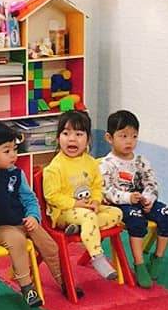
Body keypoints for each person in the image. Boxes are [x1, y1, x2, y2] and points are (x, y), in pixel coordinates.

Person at [0, 120, 63, 308]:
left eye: (14, 149)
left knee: (49, 244)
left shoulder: (16, 173)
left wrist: (33, 216)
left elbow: (29, 198)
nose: (13, 155)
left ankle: (63, 280)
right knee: (17, 241)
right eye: (6, 151)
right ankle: (26, 286)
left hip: (23, 222)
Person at [42, 110, 123, 281]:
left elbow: (96, 186)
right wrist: (76, 204)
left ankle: (82, 228)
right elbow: (52, 196)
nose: (72, 139)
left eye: (78, 134)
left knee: (117, 213)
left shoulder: (91, 162)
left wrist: (96, 201)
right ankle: (97, 257)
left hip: (87, 209)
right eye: (66, 133)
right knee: (88, 216)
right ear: (58, 138)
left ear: (88, 139)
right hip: (63, 212)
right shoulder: (54, 168)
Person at [100, 109, 168, 288]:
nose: (129, 141)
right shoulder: (107, 164)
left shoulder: (141, 161)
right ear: (109, 138)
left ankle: (158, 257)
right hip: (122, 205)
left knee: (167, 214)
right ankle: (139, 263)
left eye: (134, 136)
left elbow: (152, 183)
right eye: (123, 136)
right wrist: (128, 197)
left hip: (142, 201)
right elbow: (106, 190)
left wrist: (148, 198)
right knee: (136, 219)